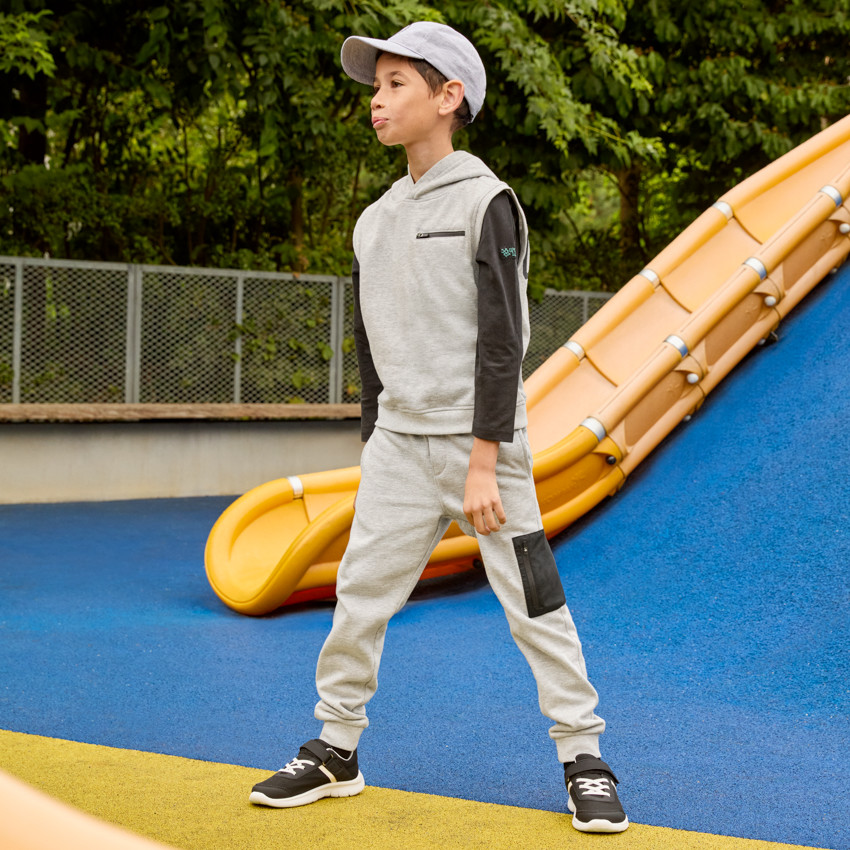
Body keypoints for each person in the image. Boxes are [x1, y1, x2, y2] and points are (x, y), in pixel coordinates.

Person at [248, 21, 628, 834]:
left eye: (395, 85)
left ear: (447, 97)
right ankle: (336, 749)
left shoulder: (488, 202)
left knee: (534, 600)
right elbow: (372, 344)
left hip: (481, 447)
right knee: (358, 596)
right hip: (398, 449)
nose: (376, 102)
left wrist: (484, 461)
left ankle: (584, 758)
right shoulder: (374, 219)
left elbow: (505, 340)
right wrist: (375, 442)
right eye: (375, 86)